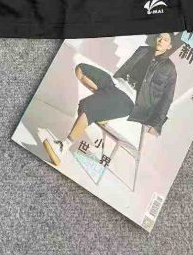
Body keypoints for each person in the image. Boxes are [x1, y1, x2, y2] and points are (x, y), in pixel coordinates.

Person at [43, 32, 180, 166]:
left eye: (165, 40)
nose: (161, 40)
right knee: (81, 70)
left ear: (169, 46)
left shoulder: (170, 69)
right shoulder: (143, 50)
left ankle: (63, 147)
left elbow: (167, 98)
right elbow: (126, 67)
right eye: (159, 37)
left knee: (90, 107)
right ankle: (105, 107)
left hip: (130, 99)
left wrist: (157, 124)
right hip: (116, 85)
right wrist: (114, 81)